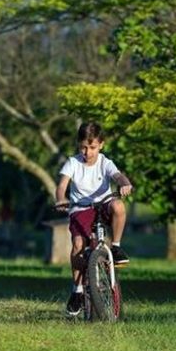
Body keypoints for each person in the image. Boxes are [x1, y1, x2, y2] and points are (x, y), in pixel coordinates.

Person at [54, 121, 133, 317]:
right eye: (83, 147)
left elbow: (118, 176)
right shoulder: (73, 163)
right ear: (78, 145)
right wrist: (61, 199)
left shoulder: (105, 162)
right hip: (80, 209)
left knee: (119, 206)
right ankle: (77, 290)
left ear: (101, 145)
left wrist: (125, 184)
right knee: (78, 245)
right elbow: (62, 185)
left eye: (92, 147)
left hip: (103, 205)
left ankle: (116, 247)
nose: (87, 152)